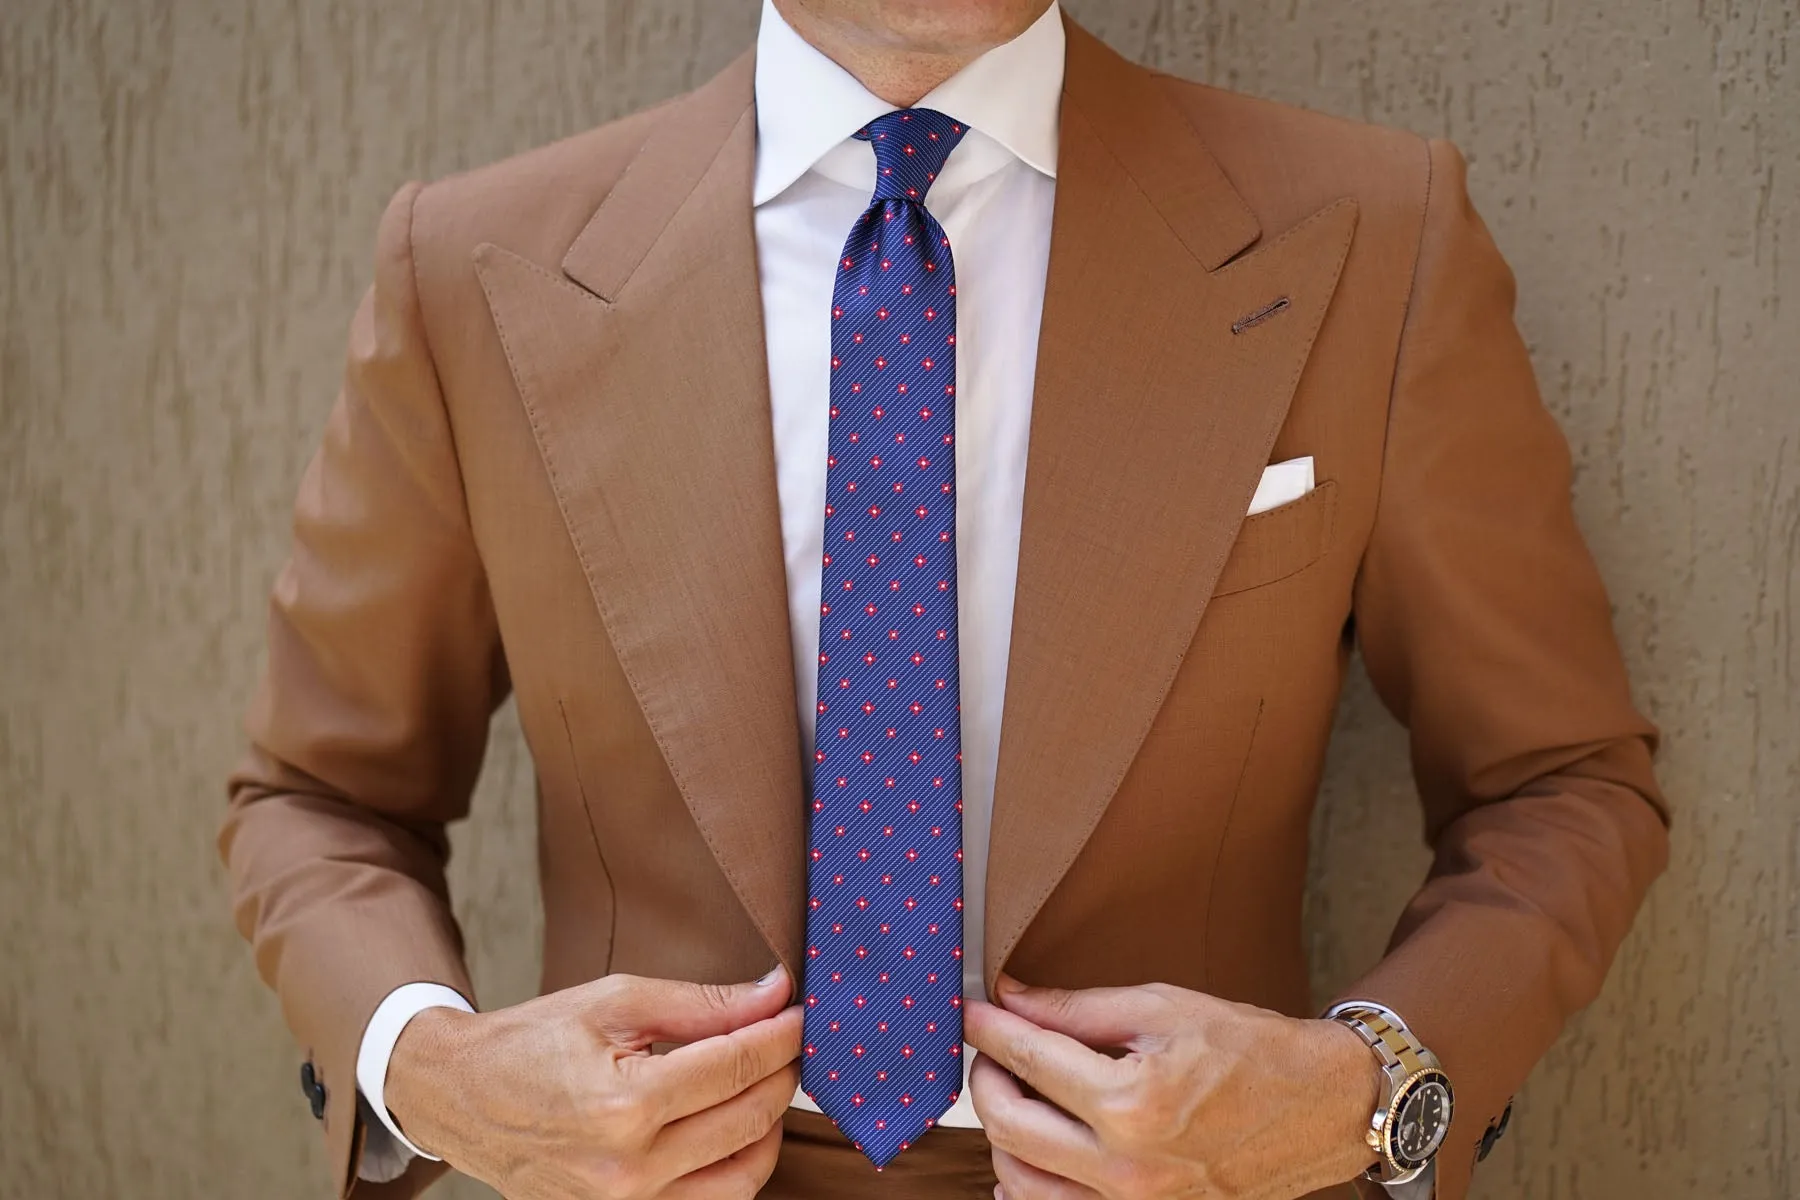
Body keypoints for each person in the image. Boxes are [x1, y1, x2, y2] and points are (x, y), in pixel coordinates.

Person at [218, 0, 1670, 1197]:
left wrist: (1366, 1086)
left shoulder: (1373, 234)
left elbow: (1560, 785)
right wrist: (432, 1074)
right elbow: (318, 797)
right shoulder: (476, 269)